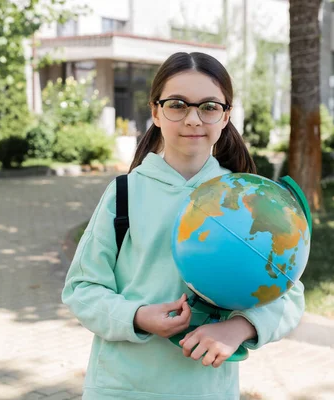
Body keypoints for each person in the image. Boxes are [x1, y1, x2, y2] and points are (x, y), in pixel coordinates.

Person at [61, 52, 305, 400]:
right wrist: (138, 316)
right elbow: (81, 288)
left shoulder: (247, 197)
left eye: (208, 106)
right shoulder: (124, 193)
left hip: (204, 389)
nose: (193, 119)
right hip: (120, 387)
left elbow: (289, 291)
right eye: (177, 105)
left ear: (225, 116)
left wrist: (238, 328)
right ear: (156, 112)